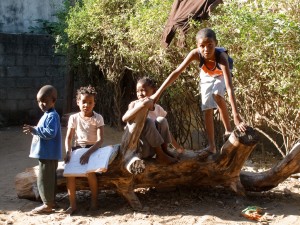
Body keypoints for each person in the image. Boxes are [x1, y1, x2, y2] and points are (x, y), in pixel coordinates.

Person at [152, 28, 247, 157]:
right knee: (207, 107)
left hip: (221, 74)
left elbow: (229, 87)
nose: (206, 49)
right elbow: (176, 72)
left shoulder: (221, 56)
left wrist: (235, 115)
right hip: (207, 74)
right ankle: (212, 146)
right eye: (202, 46)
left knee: (218, 93)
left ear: (216, 44)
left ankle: (228, 130)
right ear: (197, 46)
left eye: (210, 45)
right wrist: (157, 94)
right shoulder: (195, 54)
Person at [64, 85, 105, 215]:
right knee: (70, 175)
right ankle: (73, 205)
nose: (86, 105)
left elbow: (100, 140)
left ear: (94, 104)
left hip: (93, 149)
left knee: (90, 173)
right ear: (78, 102)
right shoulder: (74, 118)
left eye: (90, 102)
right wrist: (68, 152)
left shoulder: (98, 118)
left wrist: (88, 153)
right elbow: (68, 138)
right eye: (83, 102)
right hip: (77, 150)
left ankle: (94, 202)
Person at [122, 77, 180, 165]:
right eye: (137, 91)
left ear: (153, 91)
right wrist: (142, 106)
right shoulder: (134, 104)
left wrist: (178, 148)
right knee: (147, 122)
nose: (140, 94)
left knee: (161, 120)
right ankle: (161, 156)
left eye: (143, 90)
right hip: (141, 149)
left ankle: (164, 151)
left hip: (153, 149)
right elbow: (124, 118)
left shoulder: (158, 109)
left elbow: (167, 131)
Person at [23, 85, 62, 214]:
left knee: (44, 179)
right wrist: (34, 129)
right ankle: (51, 201)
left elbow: (50, 133)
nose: (41, 104)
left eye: (44, 101)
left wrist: (35, 130)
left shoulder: (52, 116)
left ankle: (47, 204)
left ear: (54, 100)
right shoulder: (48, 114)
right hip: (47, 154)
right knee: (49, 178)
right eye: (39, 101)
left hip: (48, 154)